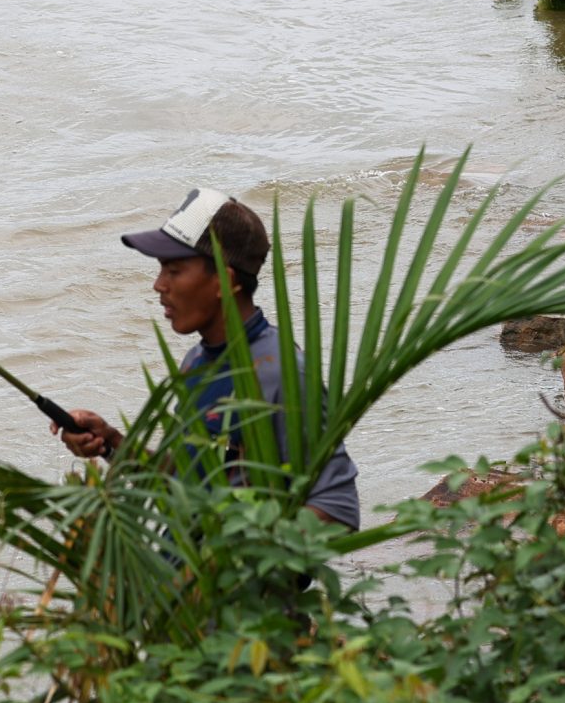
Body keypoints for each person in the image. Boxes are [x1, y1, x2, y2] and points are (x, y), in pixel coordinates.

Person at [54, 187, 361, 528]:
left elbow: (337, 511)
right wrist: (110, 443)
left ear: (224, 282)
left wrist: (234, 559)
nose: (158, 285)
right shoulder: (196, 363)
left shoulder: (282, 374)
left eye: (174, 270)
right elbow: (187, 485)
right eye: (160, 270)